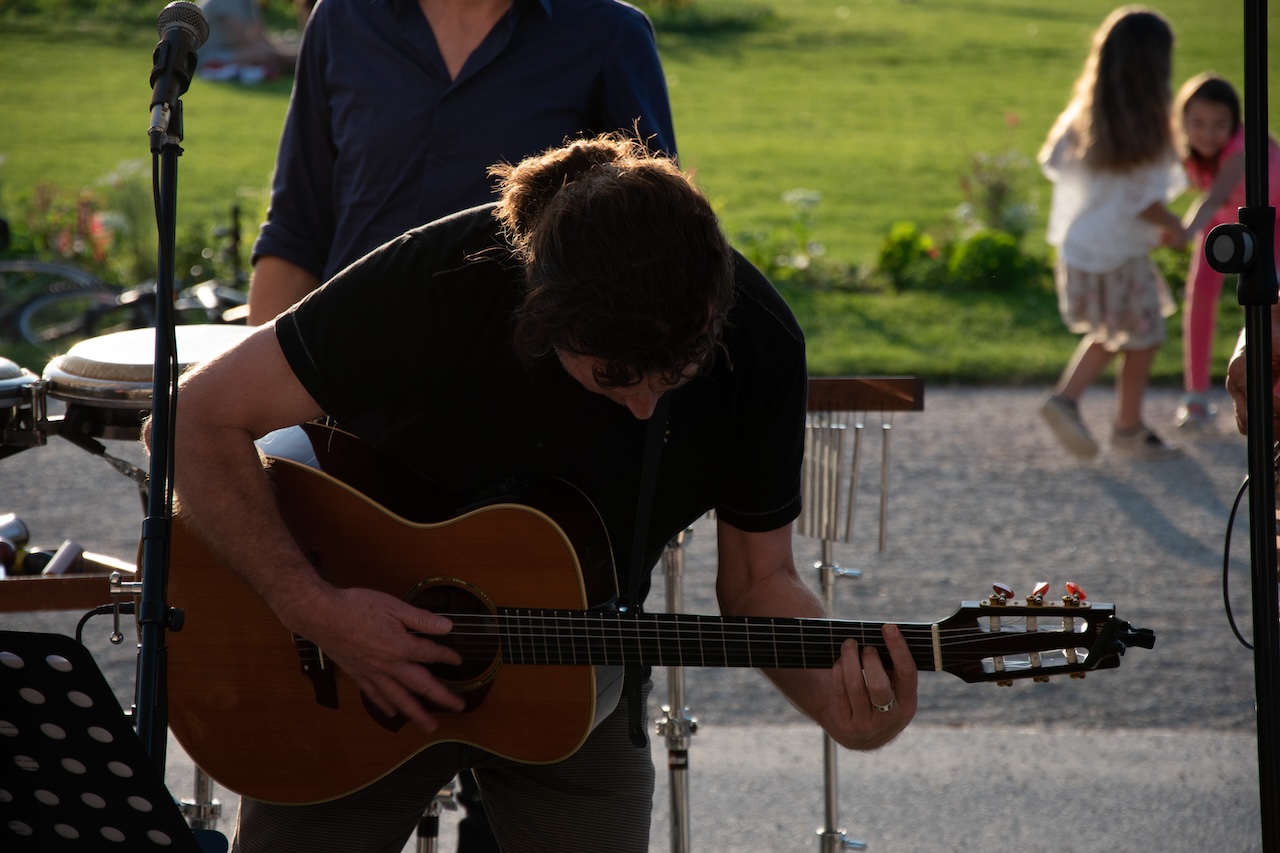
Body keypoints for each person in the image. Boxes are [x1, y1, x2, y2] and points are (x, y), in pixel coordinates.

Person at [153, 135, 918, 853]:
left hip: (580, 678)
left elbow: (760, 584)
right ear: (543, 322)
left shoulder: (760, 344)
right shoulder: (442, 278)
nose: (647, 407)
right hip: (340, 668)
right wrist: (316, 608)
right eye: (611, 378)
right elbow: (191, 420)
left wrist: (846, 709)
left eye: (674, 377)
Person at [245, 0, 677, 325]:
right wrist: (261, 406)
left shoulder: (608, 33)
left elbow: (652, 246)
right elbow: (296, 230)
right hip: (347, 382)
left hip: (523, 392)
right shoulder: (342, 18)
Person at [1036, 6, 1188, 461]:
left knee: (1118, 331)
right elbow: (1143, 198)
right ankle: (1119, 425)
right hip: (1120, 252)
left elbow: (1052, 163)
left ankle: (1088, 411)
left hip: (1083, 248)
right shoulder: (1149, 127)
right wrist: (1175, 227)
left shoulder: (1085, 117)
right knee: (1145, 335)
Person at [1175, 72, 1280, 432]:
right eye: (1198, 123)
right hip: (1226, 223)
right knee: (1199, 296)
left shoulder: (1240, 149)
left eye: (1220, 124)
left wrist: (1184, 229)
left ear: (1235, 124)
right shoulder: (1188, 153)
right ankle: (1196, 399)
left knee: (1272, 307)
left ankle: (1273, 399)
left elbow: (1216, 193)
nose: (1208, 133)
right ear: (1184, 122)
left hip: (1272, 225)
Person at [197, 0, 304, 84]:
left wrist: (280, 49)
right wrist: (279, 54)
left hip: (231, 51)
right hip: (209, 56)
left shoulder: (249, 2)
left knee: (283, 44)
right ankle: (299, 62)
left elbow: (260, 36)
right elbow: (239, 41)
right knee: (260, 54)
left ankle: (297, 61)